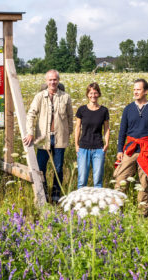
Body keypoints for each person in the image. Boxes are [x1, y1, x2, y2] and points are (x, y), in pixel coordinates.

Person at [114, 78, 148, 216]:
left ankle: (142, 215)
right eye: (134, 89)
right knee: (120, 181)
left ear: (146, 91)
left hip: (147, 150)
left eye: (138, 89)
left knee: (144, 184)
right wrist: (119, 150)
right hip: (130, 150)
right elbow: (122, 131)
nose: (135, 92)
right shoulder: (128, 109)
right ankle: (117, 213)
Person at [23, 69, 73, 202]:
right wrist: (30, 132)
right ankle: (43, 194)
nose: (53, 82)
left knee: (58, 168)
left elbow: (69, 117)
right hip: (43, 138)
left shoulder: (65, 97)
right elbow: (31, 114)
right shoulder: (40, 96)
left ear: (58, 80)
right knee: (41, 168)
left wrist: (68, 132)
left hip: (60, 138)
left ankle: (56, 195)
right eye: (50, 80)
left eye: (55, 79)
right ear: (46, 81)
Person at [75, 82, 110, 188]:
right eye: (90, 93)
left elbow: (106, 128)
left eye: (95, 93)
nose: (93, 95)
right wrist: (76, 145)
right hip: (83, 147)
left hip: (98, 148)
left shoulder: (104, 110)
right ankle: (80, 203)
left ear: (98, 94)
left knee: (98, 180)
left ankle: (97, 203)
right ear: (87, 94)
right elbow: (77, 128)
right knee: (82, 180)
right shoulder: (82, 110)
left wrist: (107, 144)